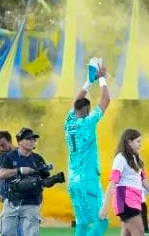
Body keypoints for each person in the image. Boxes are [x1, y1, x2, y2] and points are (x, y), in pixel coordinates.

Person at [64, 58, 111, 236]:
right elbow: (106, 99)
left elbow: (77, 102)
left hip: (73, 181)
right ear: (86, 111)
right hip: (88, 180)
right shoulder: (88, 122)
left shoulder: (68, 122)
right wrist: (102, 78)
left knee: (82, 224)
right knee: (102, 220)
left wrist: (87, 83)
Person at [100, 129, 149, 236]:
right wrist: (105, 207)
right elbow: (112, 183)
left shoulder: (137, 159)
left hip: (135, 201)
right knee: (139, 232)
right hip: (125, 202)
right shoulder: (120, 158)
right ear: (129, 141)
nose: (140, 145)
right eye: (138, 141)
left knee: (127, 233)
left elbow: (144, 181)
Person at [0, 128, 51, 236]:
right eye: (28, 139)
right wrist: (19, 170)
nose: (32, 141)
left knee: (30, 234)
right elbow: (2, 174)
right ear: (20, 141)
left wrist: (50, 182)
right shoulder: (10, 157)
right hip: (12, 201)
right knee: (6, 233)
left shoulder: (38, 159)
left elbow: (45, 179)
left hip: (32, 202)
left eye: (33, 139)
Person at [0, 130, 15, 203]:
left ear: (10, 141)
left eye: (3, 145)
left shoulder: (21, 154)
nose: (1, 149)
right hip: (4, 197)